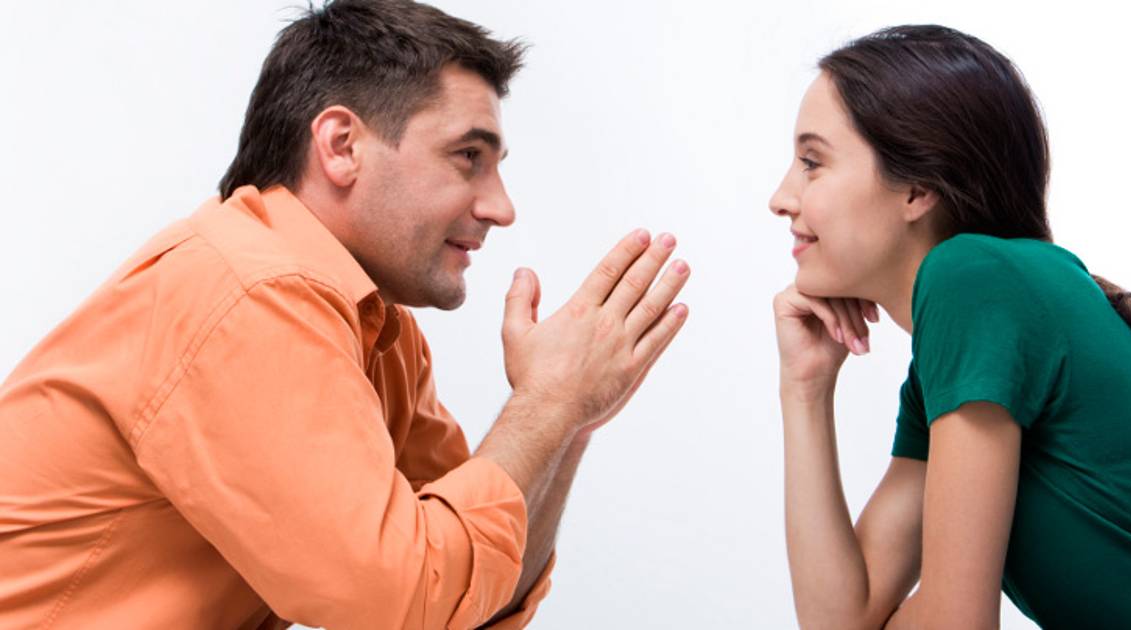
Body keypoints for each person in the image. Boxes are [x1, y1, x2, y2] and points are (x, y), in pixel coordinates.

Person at [0, 1, 690, 628]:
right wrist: (544, 404)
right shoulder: (249, 292)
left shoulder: (376, 330)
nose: (500, 207)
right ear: (340, 146)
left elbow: (467, 594)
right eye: (468, 157)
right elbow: (401, 603)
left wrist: (567, 422)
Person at [771, 25, 1131, 629]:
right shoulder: (966, 332)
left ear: (918, 188)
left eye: (813, 164)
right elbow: (842, 618)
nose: (780, 198)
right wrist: (805, 387)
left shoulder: (970, 279)